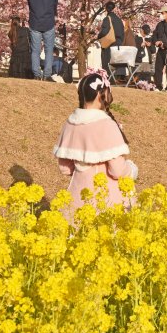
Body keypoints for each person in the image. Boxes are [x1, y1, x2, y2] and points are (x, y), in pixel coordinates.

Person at [53, 71, 138, 222]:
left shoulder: (70, 123)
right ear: (101, 94)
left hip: (78, 196)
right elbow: (117, 170)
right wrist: (131, 169)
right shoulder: (106, 124)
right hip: (106, 197)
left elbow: (65, 168)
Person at [27, 0, 59, 81]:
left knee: (35, 50)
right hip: (48, 22)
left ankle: (36, 74)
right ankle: (47, 75)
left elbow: (30, 4)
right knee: (49, 50)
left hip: (35, 21)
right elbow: (54, 6)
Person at [98, 1, 124, 74]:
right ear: (114, 8)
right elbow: (122, 33)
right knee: (116, 64)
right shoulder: (119, 20)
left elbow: (104, 32)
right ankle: (116, 78)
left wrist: (98, 36)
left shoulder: (107, 19)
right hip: (118, 45)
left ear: (106, 9)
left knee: (107, 64)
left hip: (109, 45)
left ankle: (108, 78)